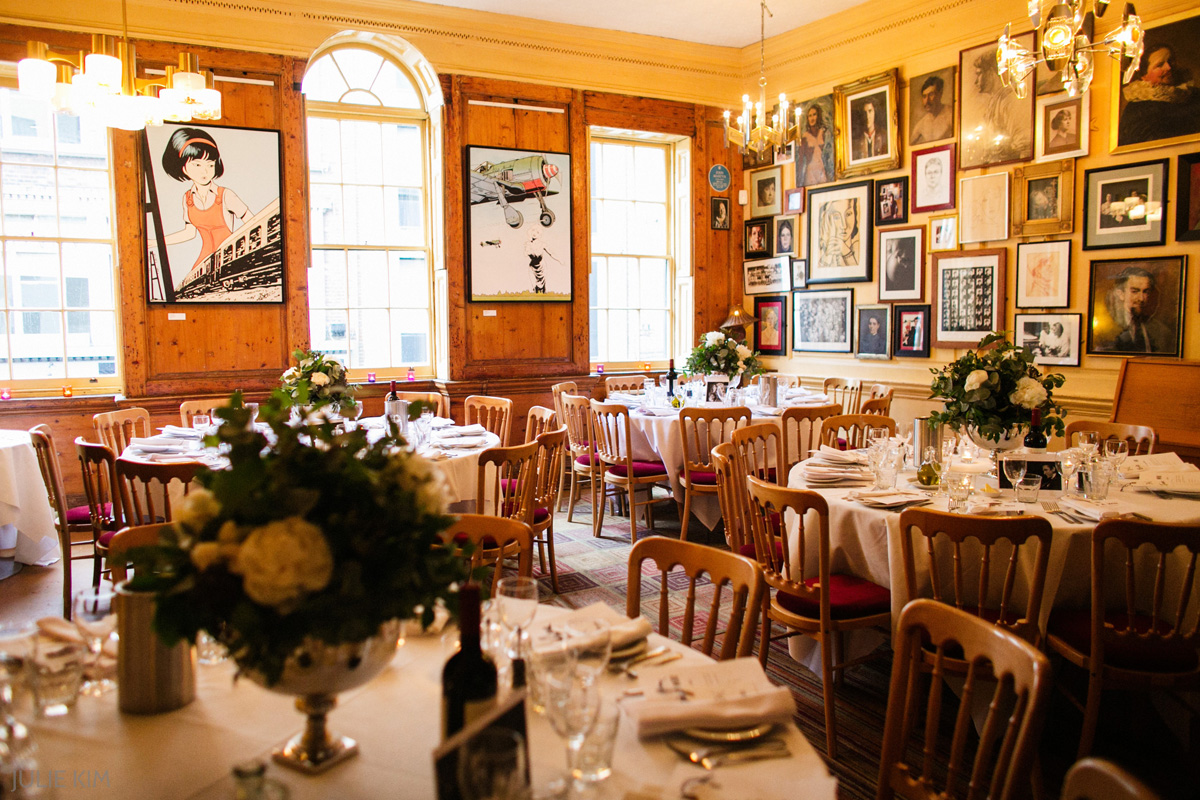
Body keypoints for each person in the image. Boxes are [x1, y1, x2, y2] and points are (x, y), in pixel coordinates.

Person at [162, 127, 253, 279]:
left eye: (210, 165)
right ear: (184, 168)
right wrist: (156, 242)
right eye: (197, 165)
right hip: (205, 258)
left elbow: (252, 222)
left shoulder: (226, 195)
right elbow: (189, 233)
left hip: (229, 253)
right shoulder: (187, 199)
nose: (205, 171)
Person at [1118, 44, 1200, 147]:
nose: (1169, 67)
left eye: (1171, 61)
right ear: (1144, 75)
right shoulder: (1137, 109)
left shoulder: (1194, 95)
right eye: (1160, 65)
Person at [967, 50, 1030, 165]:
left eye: (979, 74)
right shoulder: (994, 102)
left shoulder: (1009, 100)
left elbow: (1024, 146)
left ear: (991, 72)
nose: (976, 81)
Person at [1104, 266, 1172, 352]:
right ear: (1121, 294)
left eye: (1145, 292)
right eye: (1135, 291)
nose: (1141, 298)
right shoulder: (1106, 327)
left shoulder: (1162, 332)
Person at [911, 74, 953, 144]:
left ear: (940, 94)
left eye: (931, 95)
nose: (927, 101)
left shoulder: (951, 115)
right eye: (924, 96)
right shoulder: (921, 124)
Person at [796, 104, 831, 186]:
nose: (812, 118)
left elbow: (827, 154)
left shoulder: (823, 133)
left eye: (814, 115)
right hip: (811, 171)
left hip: (821, 169)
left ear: (818, 116)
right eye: (810, 116)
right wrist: (799, 178)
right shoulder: (805, 137)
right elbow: (801, 159)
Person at [524, 228, 561, 294]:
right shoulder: (528, 244)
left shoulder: (543, 244)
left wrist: (560, 260)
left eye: (537, 232)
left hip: (542, 267)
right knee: (534, 286)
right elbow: (527, 254)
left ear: (540, 235)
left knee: (543, 286)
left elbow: (551, 253)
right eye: (533, 231)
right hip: (532, 267)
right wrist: (528, 251)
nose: (534, 233)